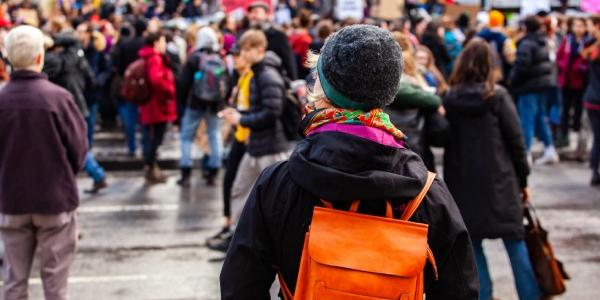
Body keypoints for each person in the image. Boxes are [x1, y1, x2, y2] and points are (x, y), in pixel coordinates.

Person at [220, 24, 478, 299]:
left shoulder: (277, 184)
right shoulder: (428, 194)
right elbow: (461, 290)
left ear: (323, 88)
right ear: (388, 91)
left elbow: (240, 286)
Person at [443, 39, 541, 300]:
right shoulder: (497, 96)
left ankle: (484, 296)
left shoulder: (450, 99)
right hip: (501, 181)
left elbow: (442, 136)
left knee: (473, 246)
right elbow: (517, 143)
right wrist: (524, 180)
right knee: (515, 241)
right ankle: (530, 295)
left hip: (462, 183)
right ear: (490, 65)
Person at [0, 25, 87, 300]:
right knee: (55, 285)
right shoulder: (58, 98)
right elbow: (79, 150)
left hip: (12, 199)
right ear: (40, 57)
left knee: (14, 282)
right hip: (54, 200)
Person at [209, 30, 290, 252]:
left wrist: (242, 119)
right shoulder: (257, 73)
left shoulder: (267, 75)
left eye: (247, 50)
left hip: (270, 146)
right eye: (242, 50)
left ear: (259, 50)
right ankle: (238, 235)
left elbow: (272, 112)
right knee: (240, 189)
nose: (243, 54)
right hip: (257, 146)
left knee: (276, 197)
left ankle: (276, 240)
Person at [44, 31, 108, 194]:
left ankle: (97, 175)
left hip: (67, 107)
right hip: (78, 104)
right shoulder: (75, 58)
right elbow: (90, 79)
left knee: (74, 144)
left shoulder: (54, 61)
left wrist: (52, 40)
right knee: (77, 143)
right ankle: (96, 175)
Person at [206, 44, 250, 247]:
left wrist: (240, 118)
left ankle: (235, 231)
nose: (234, 59)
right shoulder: (241, 77)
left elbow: (259, 109)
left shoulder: (253, 77)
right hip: (241, 137)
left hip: (249, 140)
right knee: (232, 184)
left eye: (237, 55)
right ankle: (229, 225)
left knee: (239, 187)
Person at [177, 27, 226, 187]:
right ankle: (213, 171)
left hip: (195, 103)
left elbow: (183, 83)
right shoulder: (219, 57)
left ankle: (186, 172)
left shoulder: (194, 58)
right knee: (214, 135)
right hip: (214, 105)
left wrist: (183, 103)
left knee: (186, 137)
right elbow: (227, 82)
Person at [510, 16, 559, 165]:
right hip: (542, 85)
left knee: (528, 120)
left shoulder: (527, 43)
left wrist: (512, 80)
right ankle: (549, 148)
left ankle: (526, 153)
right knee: (539, 117)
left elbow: (521, 67)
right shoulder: (544, 40)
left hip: (529, 87)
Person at [138, 31, 178, 183]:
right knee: (155, 139)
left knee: (152, 138)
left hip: (152, 105)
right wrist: (169, 89)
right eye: (162, 41)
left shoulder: (150, 56)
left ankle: (151, 167)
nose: (165, 44)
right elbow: (156, 80)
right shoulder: (155, 58)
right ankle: (150, 167)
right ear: (156, 42)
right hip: (157, 105)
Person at [111, 18, 147, 157]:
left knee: (130, 119)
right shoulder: (145, 44)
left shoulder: (125, 44)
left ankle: (132, 147)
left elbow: (118, 66)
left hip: (129, 85)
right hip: (144, 86)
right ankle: (145, 147)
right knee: (143, 119)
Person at [557, 17, 590, 149]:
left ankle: (576, 138)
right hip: (566, 81)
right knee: (564, 110)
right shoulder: (567, 40)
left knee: (578, 111)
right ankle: (564, 137)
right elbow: (560, 56)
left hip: (580, 82)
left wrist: (580, 68)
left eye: (581, 26)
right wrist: (563, 66)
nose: (578, 29)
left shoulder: (587, 42)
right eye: (576, 26)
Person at [246, 0, 298, 80]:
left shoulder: (278, 35)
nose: (253, 16)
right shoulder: (247, 37)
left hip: (275, 81)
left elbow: (289, 62)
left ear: (266, 14)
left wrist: (294, 81)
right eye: (251, 13)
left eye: (256, 12)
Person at [583, 15, 600, 185]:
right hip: (594, 98)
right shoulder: (593, 47)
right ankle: (595, 169)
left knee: (597, 137)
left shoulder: (591, 47)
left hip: (592, 97)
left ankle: (595, 169)